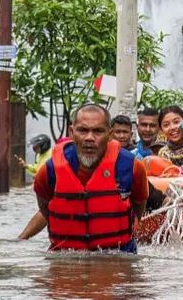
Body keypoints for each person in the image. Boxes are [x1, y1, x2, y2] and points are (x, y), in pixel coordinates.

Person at [33, 104, 148, 252]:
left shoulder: (132, 167)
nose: (89, 138)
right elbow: (44, 207)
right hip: (66, 255)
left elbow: (139, 204)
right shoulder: (49, 171)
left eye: (98, 131)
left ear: (110, 135)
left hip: (119, 253)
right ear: (71, 132)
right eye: (82, 130)